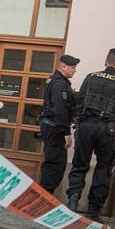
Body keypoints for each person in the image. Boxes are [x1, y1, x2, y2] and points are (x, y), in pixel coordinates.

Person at [66, 48, 115, 222]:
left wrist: (79, 122)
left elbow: (79, 101)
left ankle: (73, 202)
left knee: (79, 164)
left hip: (86, 127)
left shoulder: (90, 78)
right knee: (103, 169)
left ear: (106, 61)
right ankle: (93, 211)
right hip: (108, 130)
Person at [39, 54, 79, 196]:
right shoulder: (59, 84)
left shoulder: (58, 81)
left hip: (53, 127)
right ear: (63, 67)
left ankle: (45, 197)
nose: (75, 70)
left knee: (55, 163)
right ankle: (44, 198)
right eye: (73, 67)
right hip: (55, 129)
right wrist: (66, 133)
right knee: (55, 164)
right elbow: (60, 109)